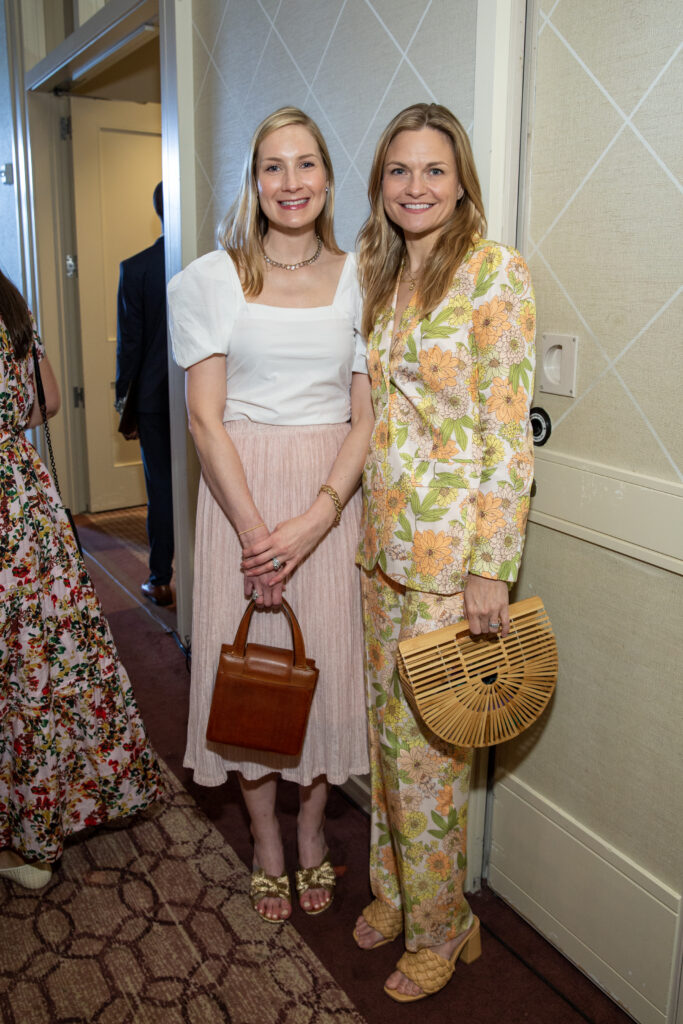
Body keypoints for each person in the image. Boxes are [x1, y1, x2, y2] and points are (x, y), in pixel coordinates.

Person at [167, 107, 374, 923]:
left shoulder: (364, 278)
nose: (291, 182)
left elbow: (365, 418)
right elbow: (203, 419)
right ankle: (264, 838)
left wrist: (318, 517)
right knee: (250, 675)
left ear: (327, 177)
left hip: (330, 494)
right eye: (273, 167)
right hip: (238, 495)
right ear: (253, 182)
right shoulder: (212, 279)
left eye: (305, 164)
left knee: (321, 669)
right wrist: (257, 536)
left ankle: (313, 828)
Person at [353, 103, 536, 1002]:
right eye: (399, 170)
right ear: (381, 183)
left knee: (429, 760)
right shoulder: (383, 273)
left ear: (461, 181)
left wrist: (489, 568)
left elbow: (507, 433)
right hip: (381, 551)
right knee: (388, 745)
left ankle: (443, 926)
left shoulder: (493, 272)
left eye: (433, 170)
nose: (415, 186)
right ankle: (396, 892)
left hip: (450, 562)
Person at [0, 269, 162, 890]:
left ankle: (29, 840)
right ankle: (63, 807)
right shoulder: (10, 305)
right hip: (24, 496)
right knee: (51, 653)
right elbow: (46, 401)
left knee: (19, 667)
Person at [115, 181, 175, 607]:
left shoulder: (136, 268)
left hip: (154, 396)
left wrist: (125, 406)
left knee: (161, 490)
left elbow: (129, 345)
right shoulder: (210, 262)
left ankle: (161, 579)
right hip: (212, 393)